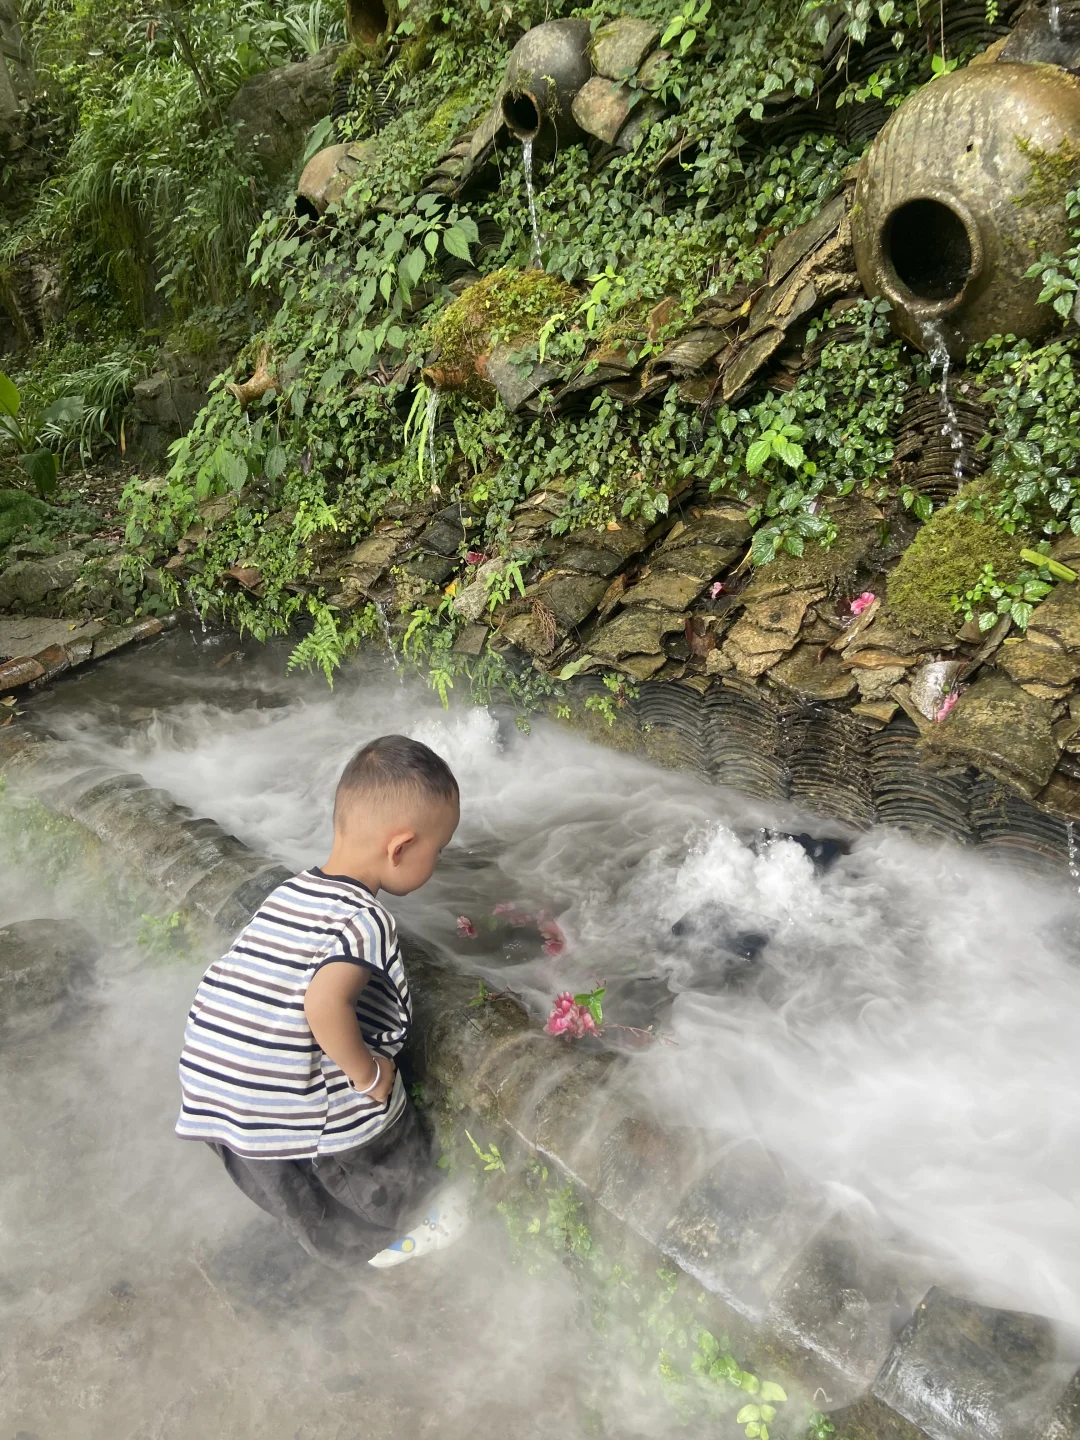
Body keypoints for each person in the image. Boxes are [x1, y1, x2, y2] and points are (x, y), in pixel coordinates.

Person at [175, 733, 467, 1269]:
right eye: (438, 850)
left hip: (213, 1087)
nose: (439, 861)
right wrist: (369, 1076)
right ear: (400, 848)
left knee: (300, 1198)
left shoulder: (290, 891)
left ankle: (341, 1247)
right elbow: (323, 1005)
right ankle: (411, 1223)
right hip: (281, 1098)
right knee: (378, 1109)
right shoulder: (365, 919)